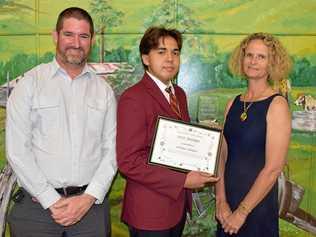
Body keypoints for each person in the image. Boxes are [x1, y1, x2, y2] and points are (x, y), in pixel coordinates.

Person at [6, 7, 117, 237]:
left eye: (83, 36)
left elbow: (113, 151)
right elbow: (17, 151)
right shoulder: (29, 84)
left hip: (90, 209)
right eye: (69, 34)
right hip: (36, 210)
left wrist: (88, 197)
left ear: (91, 41)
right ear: (55, 36)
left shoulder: (104, 91)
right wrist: (51, 200)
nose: (76, 43)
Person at [116, 26, 219, 237]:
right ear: (146, 58)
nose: (170, 59)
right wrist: (182, 181)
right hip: (149, 214)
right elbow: (129, 162)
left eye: (175, 52)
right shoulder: (133, 98)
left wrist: (203, 140)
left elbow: (181, 144)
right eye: (161, 52)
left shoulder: (178, 94)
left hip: (177, 208)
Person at [215, 32, 292, 237]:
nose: (253, 61)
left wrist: (242, 212)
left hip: (257, 206)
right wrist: (221, 201)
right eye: (249, 55)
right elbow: (221, 156)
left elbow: (273, 168)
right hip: (228, 205)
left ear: (272, 63)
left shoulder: (277, 105)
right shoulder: (233, 103)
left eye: (261, 57)